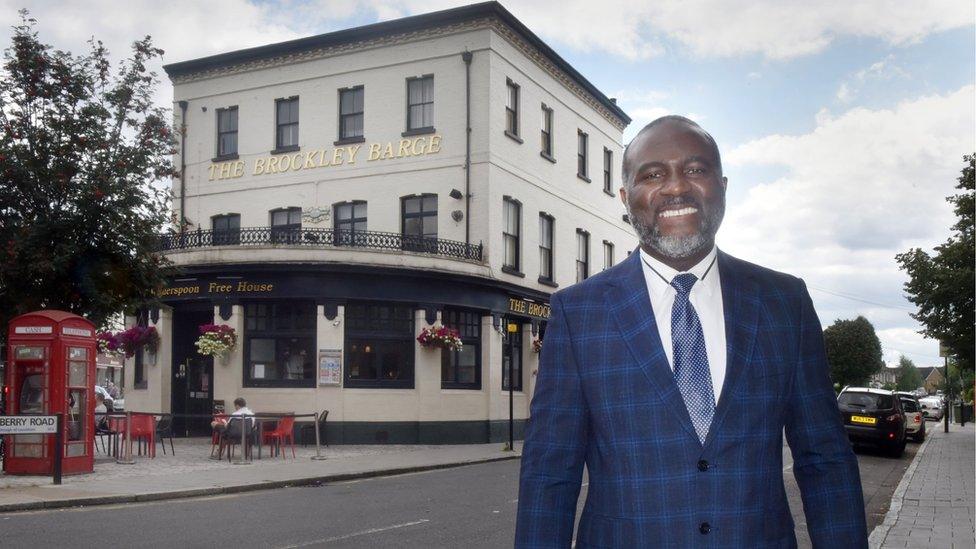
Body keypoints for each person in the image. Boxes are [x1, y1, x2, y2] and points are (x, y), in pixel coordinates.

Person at [515, 116, 867, 548]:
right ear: (626, 197)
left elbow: (824, 459)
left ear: (722, 185)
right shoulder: (578, 312)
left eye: (695, 170)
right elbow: (550, 472)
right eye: (653, 174)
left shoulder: (783, 302)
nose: (676, 187)